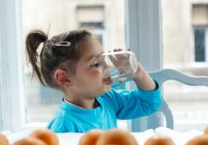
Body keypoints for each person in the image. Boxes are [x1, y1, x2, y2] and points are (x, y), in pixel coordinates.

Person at [25, 29, 162, 133]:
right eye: (96, 64)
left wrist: (137, 71)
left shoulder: (107, 99)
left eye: (104, 60)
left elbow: (149, 103)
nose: (107, 67)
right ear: (64, 78)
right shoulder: (64, 126)